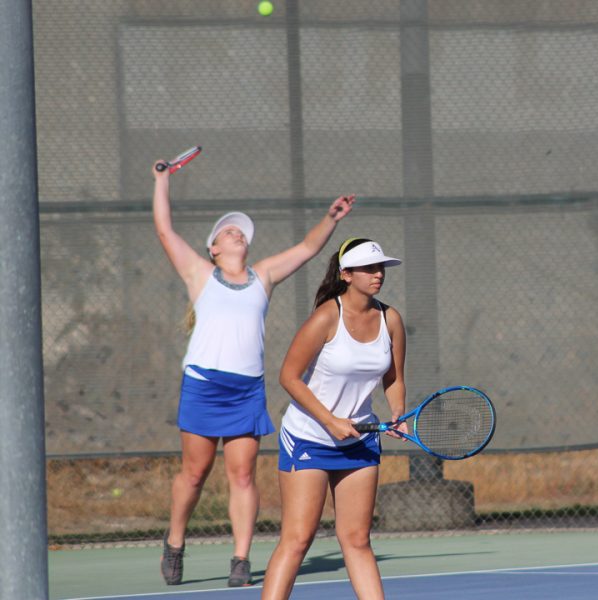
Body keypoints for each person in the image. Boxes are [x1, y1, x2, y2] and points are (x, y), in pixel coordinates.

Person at [151, 160, 355, 587]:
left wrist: (330, 219)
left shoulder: (263, 275)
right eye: (228, 231)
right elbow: (166, 231)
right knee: (195, 472)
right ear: (214, 249)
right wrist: (162, 181)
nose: (237, 233)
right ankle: (175, 542)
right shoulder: (199, 273)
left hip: (246, 390)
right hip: (204, 386)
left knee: (242, 473)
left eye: (241, 230)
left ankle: (240, 560)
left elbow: (306, 249)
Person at [260, 238, 407, 600]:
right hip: (310, 436)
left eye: (380, 268)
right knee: (297, 540)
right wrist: (329, 421)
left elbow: (394, 378)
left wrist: (398, 414)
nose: (378, 275)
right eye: (369, 268)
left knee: (357, 540)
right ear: (346, 274)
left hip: (359, 441)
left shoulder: (390, 319)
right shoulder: (327, 316)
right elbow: (288, 377)